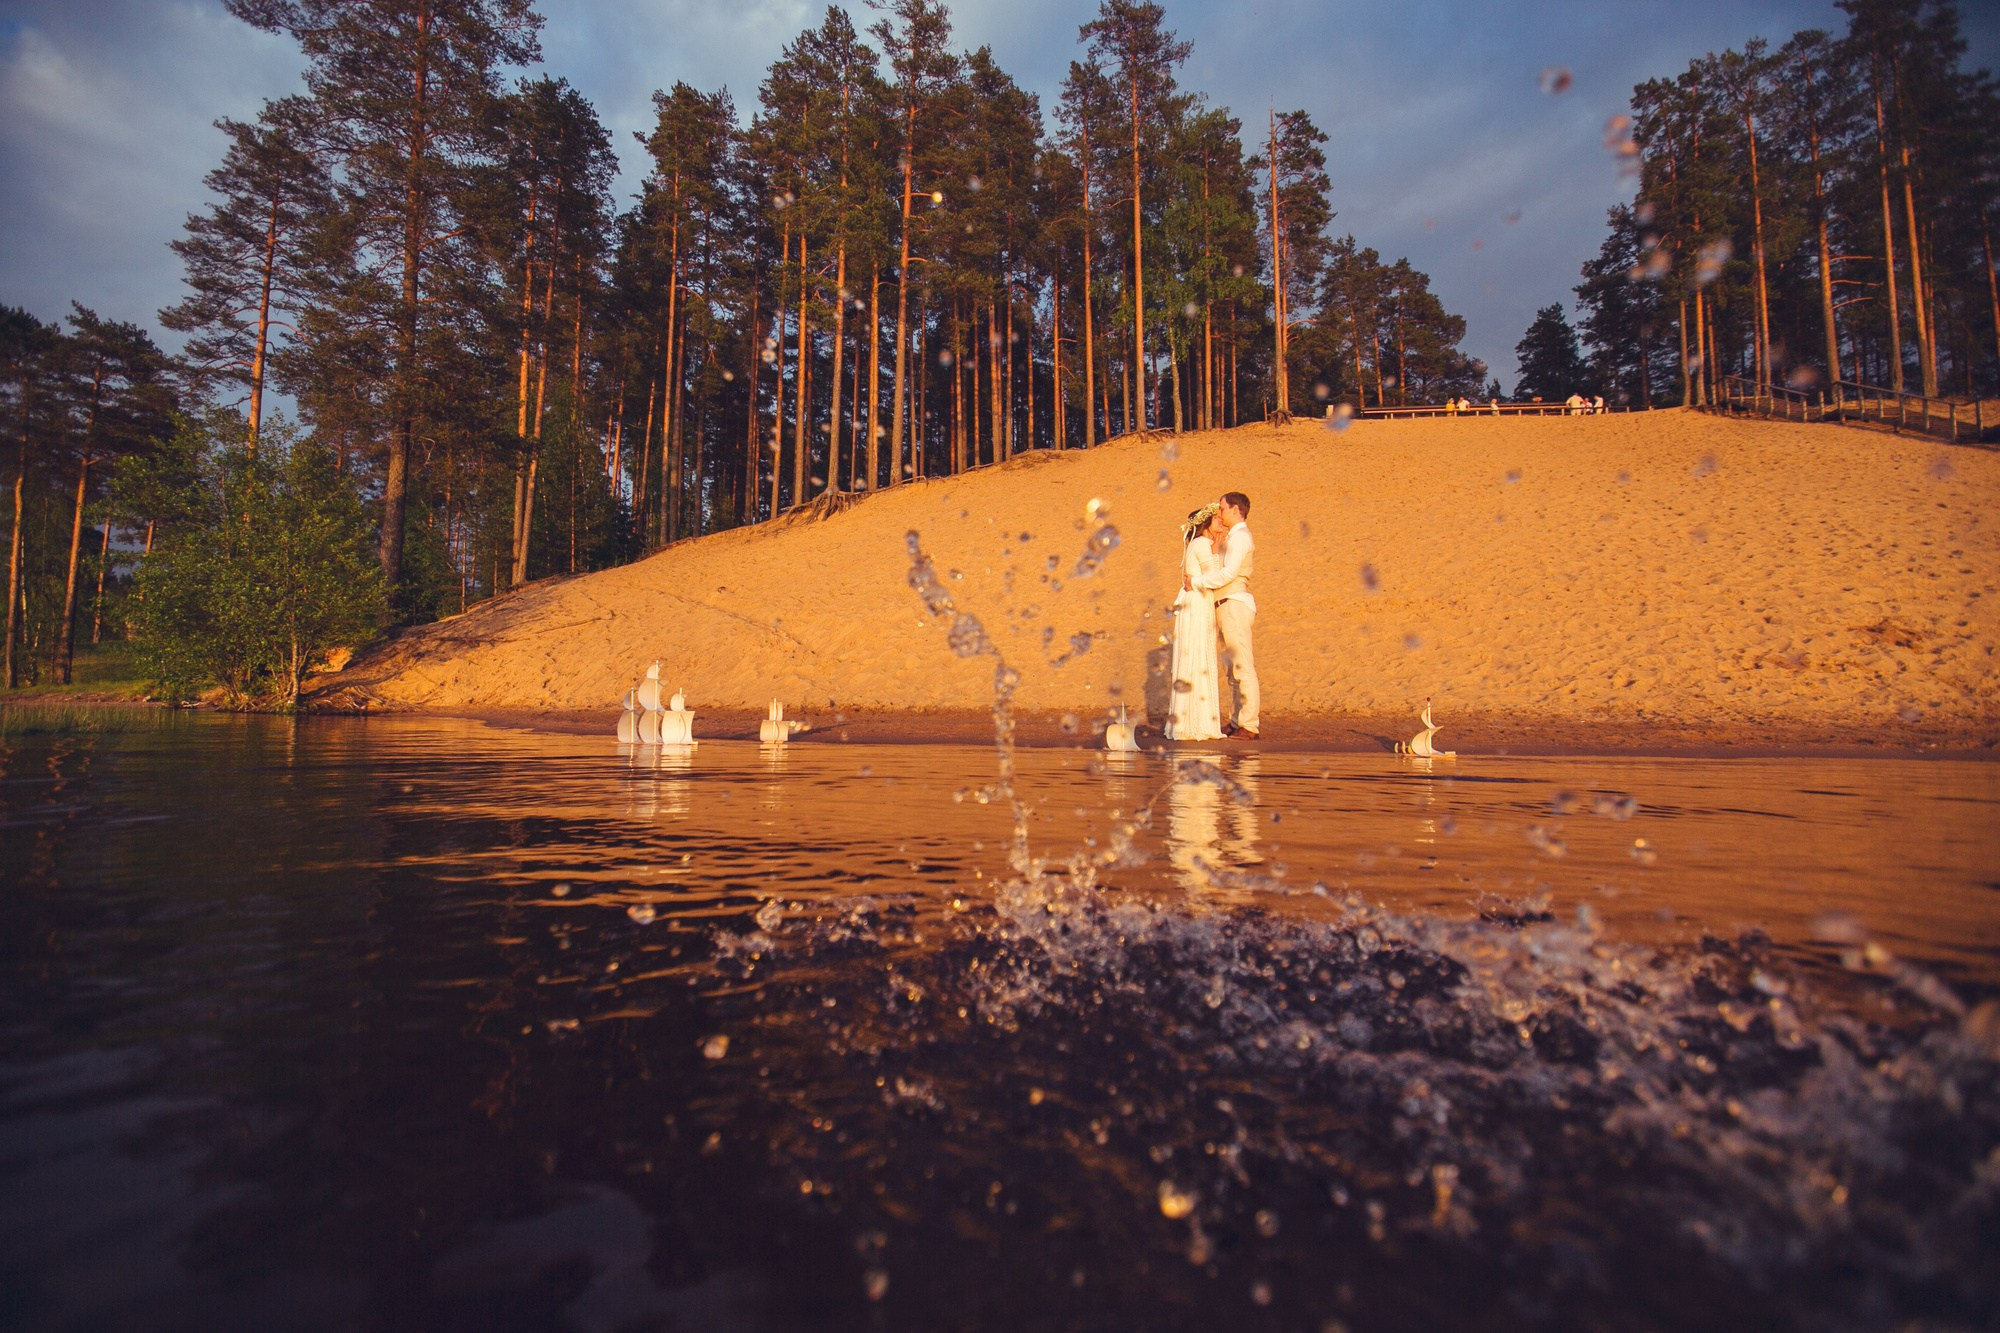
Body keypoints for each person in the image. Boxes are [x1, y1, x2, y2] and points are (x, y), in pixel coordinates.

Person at [1194, 491, 1258, 740]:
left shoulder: (1241, 537)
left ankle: (1250, 724)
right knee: (1232, 670)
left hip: (1234, 604)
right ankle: (1236, 719)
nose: (1218, 513)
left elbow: (1229, 573)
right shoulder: (1233, 537)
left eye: (1221, 509)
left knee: (1243, 666)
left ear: (1235, 509)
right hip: (1223, 604)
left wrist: (1198, 582)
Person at [1165, 502, 1225, 742]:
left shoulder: (1200, 544)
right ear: (1206, 523)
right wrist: (1219, 548)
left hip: (1197, 601)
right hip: (1197, 602)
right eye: (1217, 519)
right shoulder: (1202, 544)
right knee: (1198, 655)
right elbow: (1214, 577)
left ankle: (1191, 720)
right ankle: (1195, 723)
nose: (1220, 522)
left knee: (1197, 656)